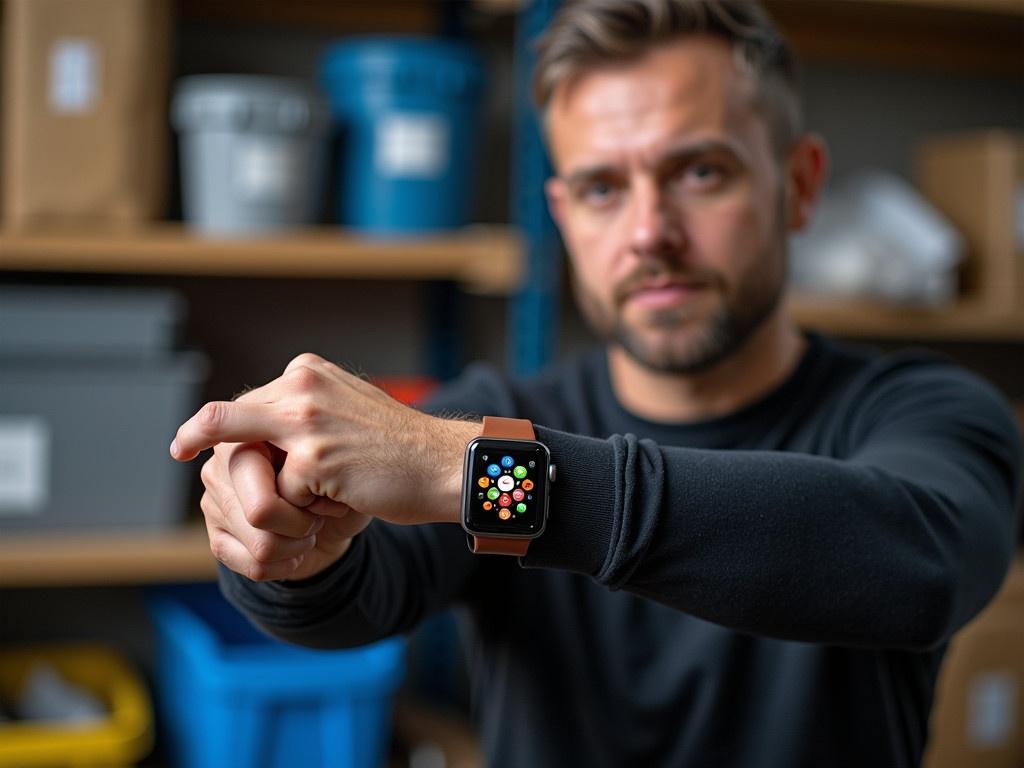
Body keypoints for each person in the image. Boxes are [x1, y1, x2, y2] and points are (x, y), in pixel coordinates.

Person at [169, 1, 1023, 765]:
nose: (650, 232)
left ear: (797, 186)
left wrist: (478, 474)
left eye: (700, 173)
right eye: (603, 187)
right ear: (564, 212)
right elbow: (352, 600)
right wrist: (280, 548)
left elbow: (920, 568)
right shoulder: (494, 418)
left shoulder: (927, 410)